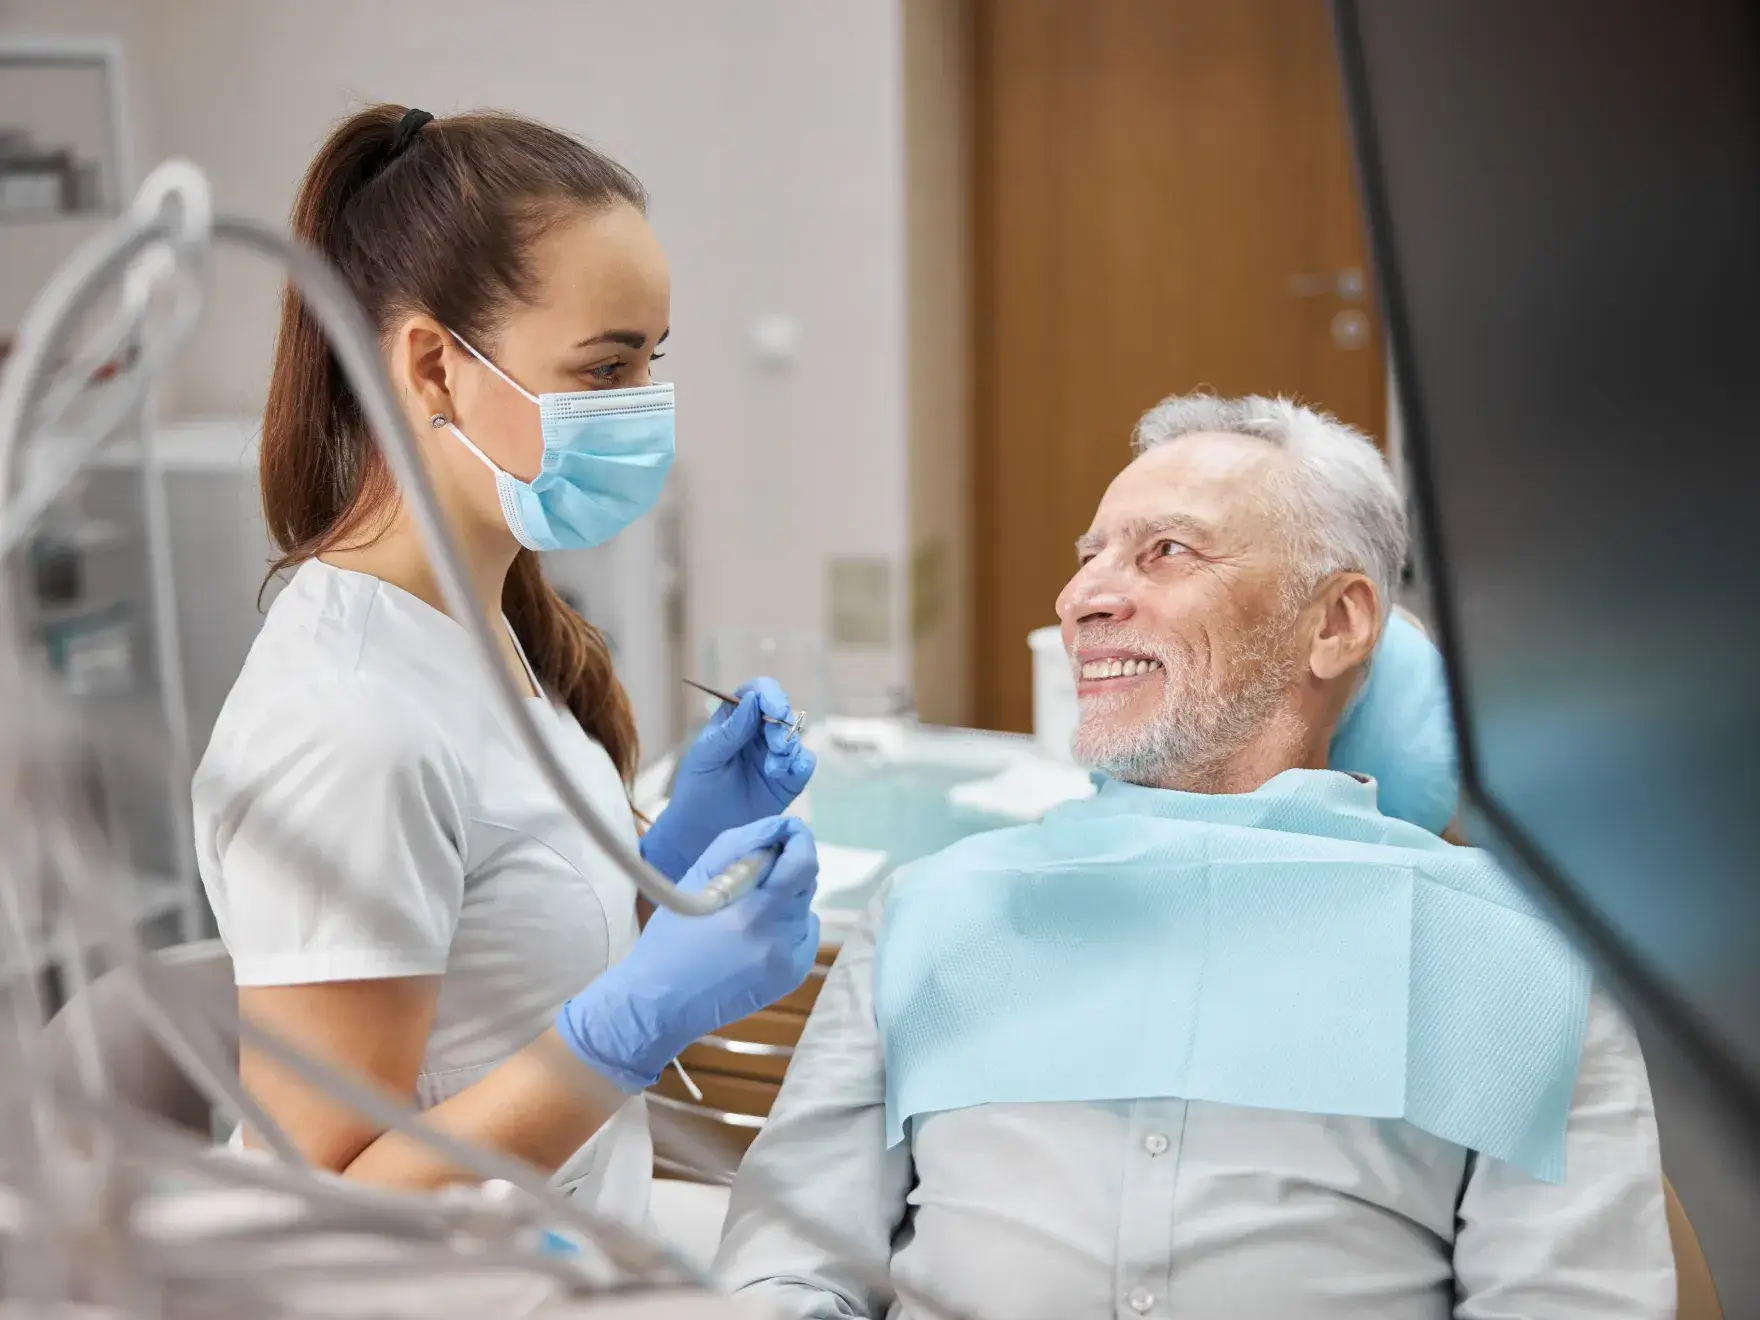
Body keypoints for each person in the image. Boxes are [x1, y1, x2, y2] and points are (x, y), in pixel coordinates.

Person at [715, 395, 1674, 1319]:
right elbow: (789, 1266)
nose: (1080, 598)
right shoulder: (933, 912)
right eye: (1089, 556)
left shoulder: (1507, 959)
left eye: (1165, 550)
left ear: (1335, 623)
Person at [192, 105, 822, 1211]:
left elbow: (504, 953)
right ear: (434, 368)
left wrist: (669, 858)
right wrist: (629, 1028)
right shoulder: (345, 723)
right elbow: (324, 1205)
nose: (643, 412)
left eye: (649, 361)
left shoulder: (487, 627)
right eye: (604, 368)